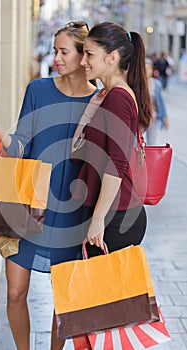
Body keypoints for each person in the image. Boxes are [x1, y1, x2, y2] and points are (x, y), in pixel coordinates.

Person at [0, 21, 99, 350]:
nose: (57, 58)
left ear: (84, 56)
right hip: (26, 207)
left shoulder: (100, 100)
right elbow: (20, 146)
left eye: (64, 52)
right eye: (55, 51)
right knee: (15, 292)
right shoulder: (38, 89)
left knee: (64, 299)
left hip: (72, 211)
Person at [71, 22, 153, 260]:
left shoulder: (118, 97)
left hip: (115, 217)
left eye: (89, 54)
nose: (83, 62)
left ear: (112, 57)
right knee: (101, 296)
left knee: (102, 296)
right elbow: (77, 148)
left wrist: (98, 220)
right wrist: (94, 106)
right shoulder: (111, 96)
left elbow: (116, 164)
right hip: (112, 212)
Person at [145, 58, 169, 145]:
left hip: (153, 117)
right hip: (141, 118)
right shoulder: (137, 84)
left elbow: (161, 102)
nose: (146, 71)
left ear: (152, 70)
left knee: (151, 144)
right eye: (144, 69)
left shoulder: (157, 84)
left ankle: (150, 159)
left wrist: (165, 117)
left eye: (148, 69)